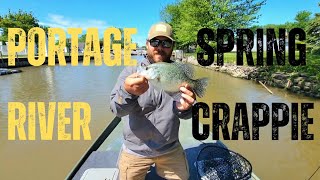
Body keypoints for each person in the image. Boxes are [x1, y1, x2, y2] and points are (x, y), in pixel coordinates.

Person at [110, 22, 196, 180]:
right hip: (135, 150)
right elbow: (116, 110)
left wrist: (185, 108)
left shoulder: (178, 72)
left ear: (172, 46)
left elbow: (186, 114)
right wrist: (127, 92)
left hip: (170, 148)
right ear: (147, 44)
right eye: (155, 42)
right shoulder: (131, 72)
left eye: (166, 42)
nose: (160, 47)